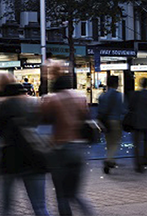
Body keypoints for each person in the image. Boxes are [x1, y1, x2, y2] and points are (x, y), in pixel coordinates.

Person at [0, 72, 50, 216]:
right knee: (40, 206)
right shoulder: (35, 101)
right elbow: (39, 123)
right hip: (35, 156)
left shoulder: (1, 103)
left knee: (6, 207)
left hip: (9, 158)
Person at [41, 73, 94, 216]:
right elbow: (86, 118)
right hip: (78, 147)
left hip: (60, 147)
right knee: (75, 193)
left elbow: (44, 118)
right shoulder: (80, 97)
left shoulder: (52, 99)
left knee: (61, 195)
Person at [127, 76, 147, 173]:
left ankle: (137, 163)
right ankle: (145, 159)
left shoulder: (134, 95)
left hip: (136, 121)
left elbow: (130, 107)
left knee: (137, 143)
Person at [97, 75, 124, 174]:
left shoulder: (102, 96)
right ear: (116, 84)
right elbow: (122, 110)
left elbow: (100, 110)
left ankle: (111, 159)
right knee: (115, 142)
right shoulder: (119, 95)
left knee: (109, 142)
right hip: (115, 120)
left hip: (105, 122)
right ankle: (109, 160)